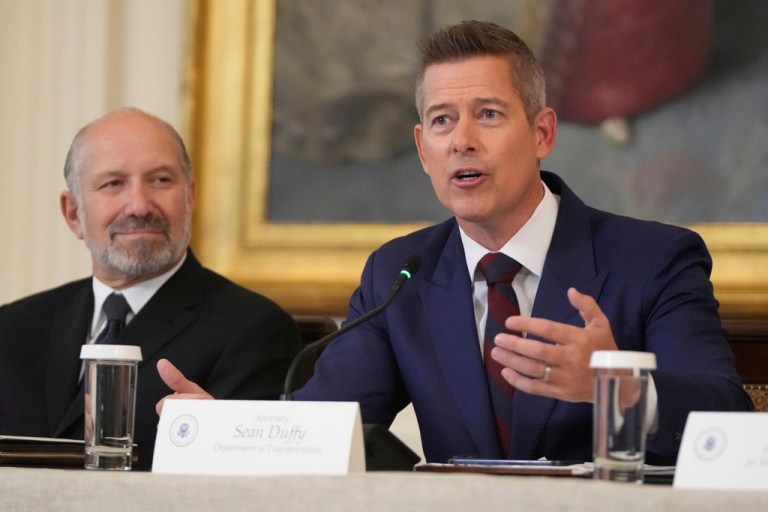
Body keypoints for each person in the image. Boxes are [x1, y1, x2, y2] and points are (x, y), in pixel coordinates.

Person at [157, 21, 753, 465]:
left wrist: (620, 392)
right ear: (423, 150)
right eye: (442, 120)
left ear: (542, 133)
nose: (461, 140)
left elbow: (728, 418)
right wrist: (224, 431)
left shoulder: (653, 260)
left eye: (487, 114)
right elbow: (325, 421)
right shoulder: (400, 272)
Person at [0, 108, 302, 470]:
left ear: (190, 197)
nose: (140, 206)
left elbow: (258, 481)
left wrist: (222, 439)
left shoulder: (254, 330)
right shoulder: (13, 327)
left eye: (160, 180)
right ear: (73, 213)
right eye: (113, 183)